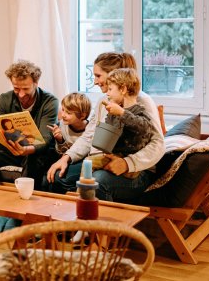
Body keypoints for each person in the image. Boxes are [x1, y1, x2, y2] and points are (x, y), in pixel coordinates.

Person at [45, 52, 165, 202]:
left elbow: (158, 144)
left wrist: (127, 164)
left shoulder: (142, 101)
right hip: (103, 160)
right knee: (57, 176)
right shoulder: (104, 101)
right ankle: (66, 221)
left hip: (138, 170)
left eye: (98, 76)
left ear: (114, 76)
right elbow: (90, 136)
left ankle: (98, 224)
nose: (95, 81)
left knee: (97, 181)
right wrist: (66, 157)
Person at [0, 60, 59, 187]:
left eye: (26, 89)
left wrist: (27, 150)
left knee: (34, 158)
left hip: (34, 152)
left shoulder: (50, 102)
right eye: (16, 88)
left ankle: (25, 201)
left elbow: (45, 139)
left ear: (36, 83)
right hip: (10, 150)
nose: (21, 94)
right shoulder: (5, 99)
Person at [101, 68, 157, 179]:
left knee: (93, 169)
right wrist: (110, 116)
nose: (107, 93)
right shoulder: (115, 110)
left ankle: (81, 194)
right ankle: (79, 194)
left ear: (123, 89)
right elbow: (107, 138)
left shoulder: (140, 110)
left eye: (110, 89)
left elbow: (144, 127)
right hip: (115, 157)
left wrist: (122, 113)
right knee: (89, 163)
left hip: (132, 165)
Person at [43, 92, 91, 193]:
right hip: (64, 159)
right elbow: (60, 153)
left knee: (59, 177)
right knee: (46, 180)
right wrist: (60, 140)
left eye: (69, 113)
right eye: (63, 110)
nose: (63, 115)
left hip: (81, 163)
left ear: (82, 116)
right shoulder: (62, 125)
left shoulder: (90, 130)